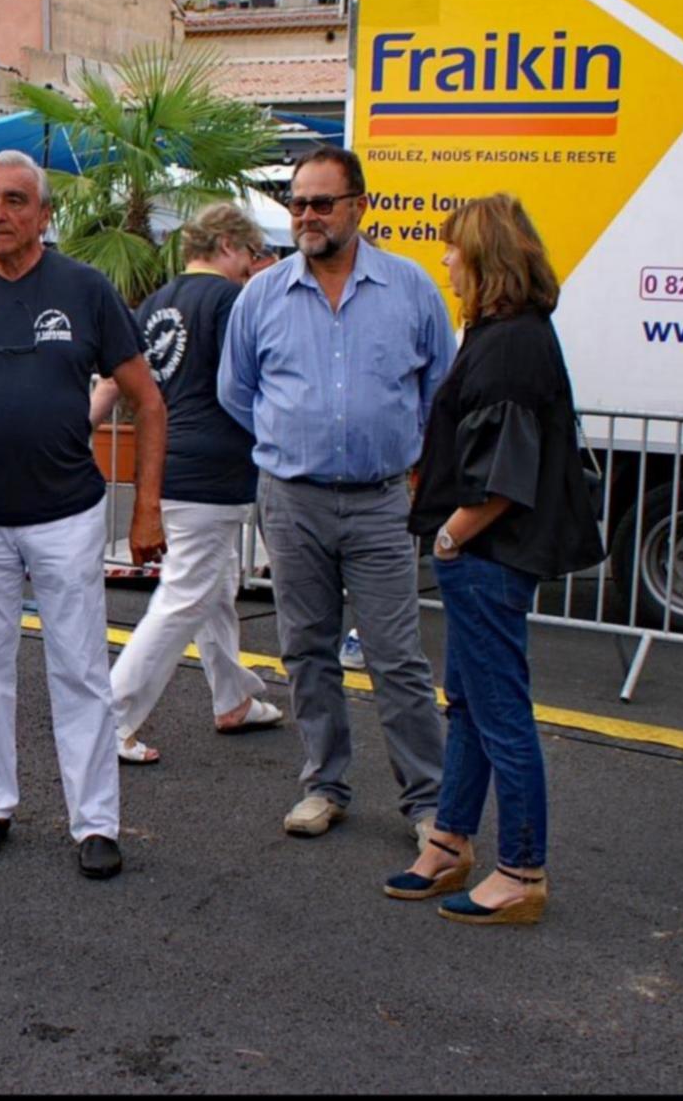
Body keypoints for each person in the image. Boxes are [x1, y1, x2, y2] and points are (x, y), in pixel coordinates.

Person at [0, 149, 168, 881]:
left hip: (67, 513)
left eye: (15, 200)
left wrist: (145, 511)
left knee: (80, 668)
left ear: (44, 215)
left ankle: (95, 822)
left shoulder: (86, 290)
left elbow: (148, 400)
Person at [218, 145, 455, 844]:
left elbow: (439, 391)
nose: (308, 216)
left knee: (396, 657)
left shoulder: (411, 289)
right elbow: (237, 392)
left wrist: (404, 460)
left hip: (381, 502)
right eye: (297, 203)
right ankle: (324, 784)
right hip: (292, 501)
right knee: (307, 650)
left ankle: (429, 804)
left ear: (359, 205)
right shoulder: (261, 295)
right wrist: (291, 441)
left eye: (322, 202)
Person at [387, 194, 604, 925]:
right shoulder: (510, 333)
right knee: (473, 706)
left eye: (453, 249)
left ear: (483, 259)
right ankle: (450, 842)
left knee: (499, 712)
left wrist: (451, 535)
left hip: (486, 553)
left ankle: (520, 868)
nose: (443, 259)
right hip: (485, 554)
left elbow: (504, 473)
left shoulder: (509, 344)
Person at [93, 203, 285, 767]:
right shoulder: (232, 302)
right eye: (250, 254)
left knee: (214, 582)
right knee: (184, 594)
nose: (252, 266)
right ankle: (111, 717)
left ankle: (233, 697)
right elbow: (252, 378)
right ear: (227, 244)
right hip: (213, 467)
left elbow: (117, 380)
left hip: (166, 461)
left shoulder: (157, 303)